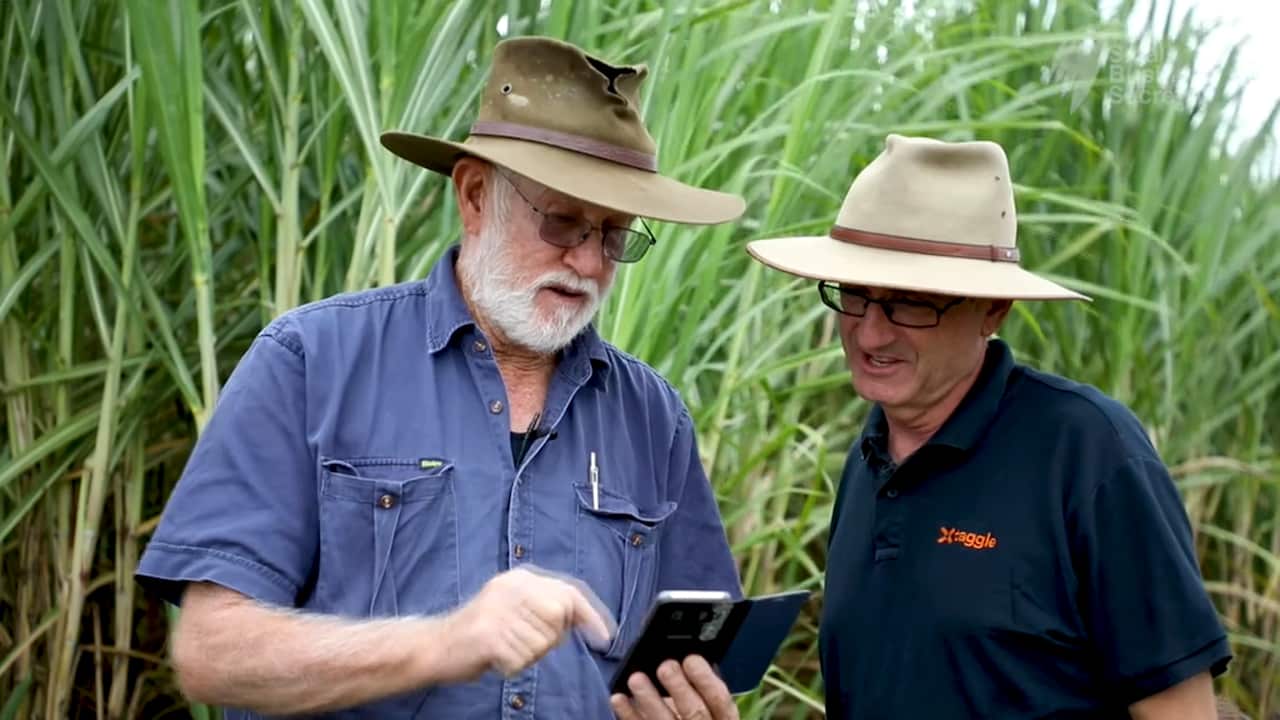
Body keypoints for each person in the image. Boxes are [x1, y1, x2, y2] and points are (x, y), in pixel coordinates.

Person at [136, 36, 746, 720]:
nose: (585, 261)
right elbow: (212, 653)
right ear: (475, 194)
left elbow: (694, 660)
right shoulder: (311, 360)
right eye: (563, 221)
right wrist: (444, 642)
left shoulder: (653, 416)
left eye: (612, 235)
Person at [745, 133, 1232, 718]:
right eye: (854, 294)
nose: (871, 334)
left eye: (910, 302)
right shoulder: (866, 461)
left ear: (993, 310)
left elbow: (1179, 708)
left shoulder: (1087, 453)